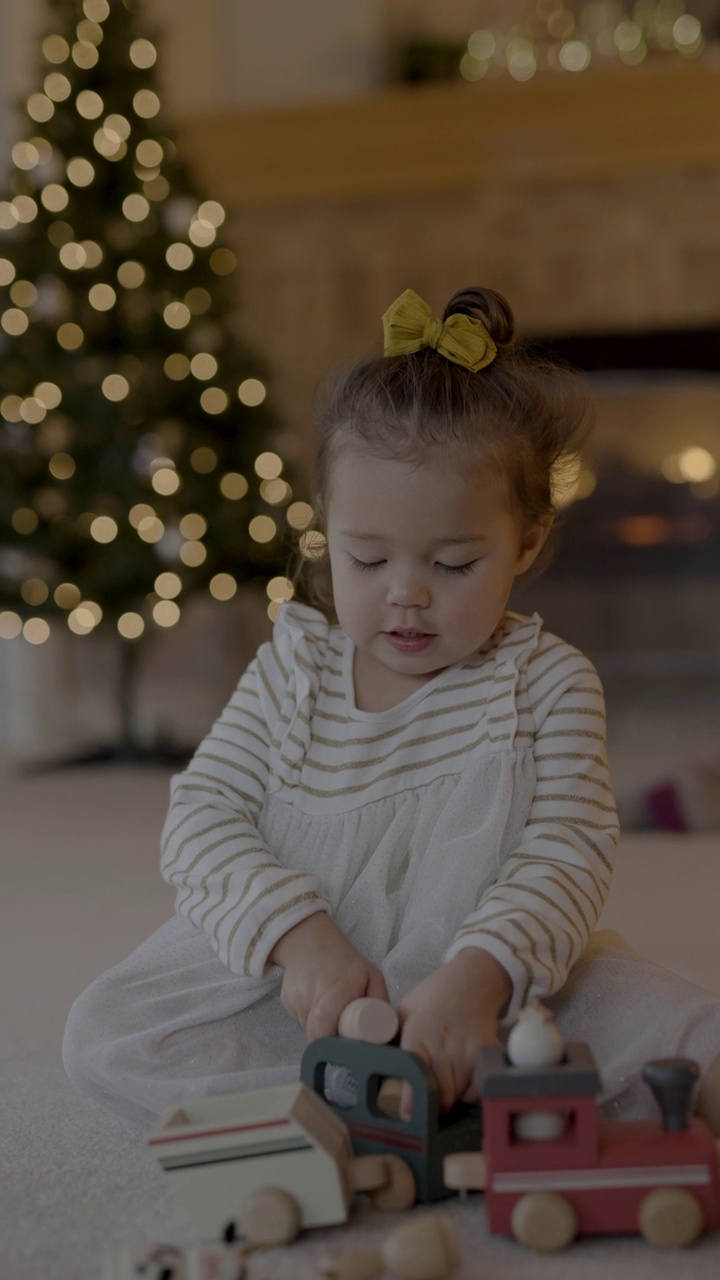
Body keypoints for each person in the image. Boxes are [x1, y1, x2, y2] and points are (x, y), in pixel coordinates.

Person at [63, 286, 720, 1131]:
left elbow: (568, 854)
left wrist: (479, 977)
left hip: (486, 978)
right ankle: (379, 1103)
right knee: (106, 1036)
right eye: (367, 559)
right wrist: (299, 938)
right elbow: (202, 815)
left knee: (667, 1022)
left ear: (526, 541)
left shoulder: (546, 683)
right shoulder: (291, 670)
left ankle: (420, 1090)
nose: (405, 596)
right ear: (328, 530)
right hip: (304, 985)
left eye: (452, 565)